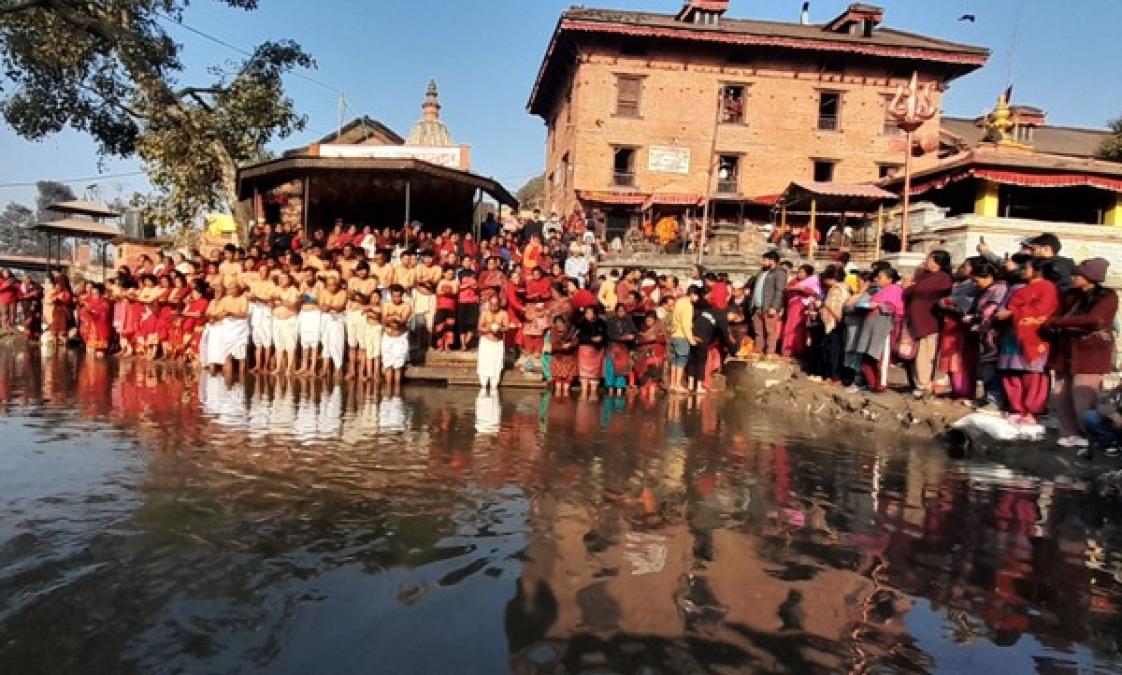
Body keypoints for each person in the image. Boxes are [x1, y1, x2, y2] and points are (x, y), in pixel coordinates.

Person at [1043, 258, 1118, 453]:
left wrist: (1060, 323)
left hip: (1090, 351)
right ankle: (1069, 434)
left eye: (1078, 275)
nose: (1074, 278)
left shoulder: (1107, 296)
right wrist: (1061, 323)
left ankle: (1091, 435)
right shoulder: (1070, 295)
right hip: (1066, 348)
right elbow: (1057, 317)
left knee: (1082, 394)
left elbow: (1094, 320)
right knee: (1061, 393)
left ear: (1091, 278)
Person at [995, 257, 1060, 426]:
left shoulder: (1048, 287)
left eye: (1027, 268)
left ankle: (1032, 409)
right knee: (1011, 371)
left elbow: (1042, 309)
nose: (1023, 271)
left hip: (1033, 334)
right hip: (1013, 333)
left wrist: (1012, 312)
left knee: (1032, 374)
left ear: (1038, 270)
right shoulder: (1024, 287)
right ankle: (1016, 407)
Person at [844, 267, 904, 393]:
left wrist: (880, 306)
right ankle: (871, 384)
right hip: (870, 326)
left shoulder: (895, 290)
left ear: (890, 279)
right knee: (867, 356)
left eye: (880, 277)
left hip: (883, 328)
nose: (877, 279)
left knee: (881, 357)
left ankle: (881, 385)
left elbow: (895, 309)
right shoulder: (877, 292)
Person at [904, 250, 953, 397]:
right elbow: (908, 290)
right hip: (917, 322)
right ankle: (920, 383)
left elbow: (915, 289)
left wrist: (910, 284)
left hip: (929, 323)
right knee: (915, 355)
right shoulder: (925, 276)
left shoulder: (943, 278)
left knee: (925, 355)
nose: (926, 261)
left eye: (929, 259)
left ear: (937, 262)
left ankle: (924, 385)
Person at [807, 265, 849, 383]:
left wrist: (822, 305)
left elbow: (836, 308)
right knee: (827, 349)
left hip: (834, 324)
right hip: (830, 323)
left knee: (833, 351)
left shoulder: (838, 290)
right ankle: (829, 375)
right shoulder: (835, 288)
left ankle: (834, 376)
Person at [750, 250, 787, 357]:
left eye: (765, 260)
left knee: (770, 331)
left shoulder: (779, 273)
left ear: (772, 261)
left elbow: (779, 291)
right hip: (758, 306)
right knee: (758, 331)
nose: (762, 262)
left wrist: (775, 307)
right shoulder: (762, 272)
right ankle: (758, 350)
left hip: (769, 307)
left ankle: (770, 352)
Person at [781, 264, 820, 359]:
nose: (799, 274)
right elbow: (786, 288)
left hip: (801, 307)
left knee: (797, 330)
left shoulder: (812, 282)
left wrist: (798, 288)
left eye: (802, 272)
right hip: (791, 306)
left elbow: (814, 292)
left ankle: (797, 350)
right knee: (789, 328)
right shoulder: (794, 281)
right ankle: (787, 351)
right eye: (799, 271)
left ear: (807, 274)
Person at [686, 285, 718, 396]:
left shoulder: (692, 305)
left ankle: (690, 385)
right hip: (703, 336)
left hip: (691, 334)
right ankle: (698, 386)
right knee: (701, 361)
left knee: (691, 359)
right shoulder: (708, 307)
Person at [382, 284, 413, 394]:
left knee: (398, 366)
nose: (397, 298)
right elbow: (385, 320)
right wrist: (395, 318)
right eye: (394, 296)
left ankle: (396, 393)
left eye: (399, 296)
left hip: (400, 337)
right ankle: (388, 391)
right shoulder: (386, 305)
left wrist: (393, 318)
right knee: (387, 365)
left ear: (402, 296)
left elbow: (403, 321)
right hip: (388, 337)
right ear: (391, 296)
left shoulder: (407, 306)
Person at [318, 274, 348, 379]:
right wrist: (331, 307)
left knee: (337, 344)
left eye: (334, 285)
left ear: (338, 285)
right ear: (326, 285)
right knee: (325, 343)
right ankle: (325, 369)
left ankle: (338, 369)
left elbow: (340, 308)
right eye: (330, 285)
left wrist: (329, 306)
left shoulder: (343, 293)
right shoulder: (323, 292)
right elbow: (322, 307)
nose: (332, 287)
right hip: (326, 319)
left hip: (338, 319)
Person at [604, 303, 637, 396]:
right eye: (619, 311)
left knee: (621, 371)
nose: (621, 313)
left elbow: (635, 334)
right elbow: (609, 335)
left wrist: (632, 347)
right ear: (616, 311)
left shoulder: (629, 321)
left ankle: (619, 392)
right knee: (610, 370)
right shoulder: (610, 321)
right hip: (612, 347)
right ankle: (610, 391)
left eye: (623, 311)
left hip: (624, 349)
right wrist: (624, 337)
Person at [477, 295, 509, 392]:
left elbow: (507, 327)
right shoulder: (484, 314)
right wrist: (489, 329)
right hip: (486, 342)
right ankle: (483, 384)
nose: (494, 307)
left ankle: (494, 385)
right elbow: (479, 327)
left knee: (496, 365)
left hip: (497, 343)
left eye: (496, 305)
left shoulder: (503, 314)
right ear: (489, 304)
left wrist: (499, 329)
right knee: (484, 363)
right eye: (492, 305)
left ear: (499, 305)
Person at [247, 265, 276, 373]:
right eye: (260, 270)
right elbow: (251, 297)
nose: (262, 273)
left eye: (264, 271)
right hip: (256, 314)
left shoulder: (271, 284)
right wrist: (254, 299)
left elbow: (269, 299)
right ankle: (258, 365)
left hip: (266, 314)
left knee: (267, 342)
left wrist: (258, 298)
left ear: (268, 272)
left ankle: (266, 366)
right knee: (257, 342)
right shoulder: (254, 284)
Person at [271, 273, 300, 376]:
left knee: (290, 345)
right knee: (278, 345)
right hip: (277, 320)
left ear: (289, 280)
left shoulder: (294, 290)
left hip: (289, 320)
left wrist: (281, 300)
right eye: (280, 279)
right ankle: (278, 368)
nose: (281, 280)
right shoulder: (275, 289)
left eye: (284, 278)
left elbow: (293, 306)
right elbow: (271, 303)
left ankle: (289, 369)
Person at [575, 305, 606, 399]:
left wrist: (600, 338)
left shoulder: (601, 323)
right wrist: (591, 339)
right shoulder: (581, 323)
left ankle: (593, 393)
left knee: (595, 373)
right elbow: (578, 336)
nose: (588, 314)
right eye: (587, 312)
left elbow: (605, 335)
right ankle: (583, 392)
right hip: (585, 349)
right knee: (584, 372)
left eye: (590, 312)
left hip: (597, 350)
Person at [296, 273, 322, 376]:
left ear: (314, 277)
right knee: (304, 342)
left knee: (314, 342)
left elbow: (319, 300)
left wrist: (307, 297)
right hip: (304, 315)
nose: (308, 278)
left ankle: (312, 368)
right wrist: (303, 295)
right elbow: (299, 299)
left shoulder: (319, 286)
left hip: (314, 315)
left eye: (310, 276)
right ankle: (304, 366)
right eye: (306, 276)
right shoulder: (303, 285)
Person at [546, 315, 579, 396]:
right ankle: (557, 404)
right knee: (558, 384)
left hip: (569, 360)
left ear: (565, 323)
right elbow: (554, 345)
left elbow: (576, 341)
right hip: (557, 359)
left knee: (566, 387)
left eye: (561, 323)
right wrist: (562, 346)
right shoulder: (553, 332)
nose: (559, 325)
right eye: (557, 323)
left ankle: (566, 403)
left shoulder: (572, 331)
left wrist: (570, 345)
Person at [668, 289, 693, 394]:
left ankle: (672, 384)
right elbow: (686, 323)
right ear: (693, 295)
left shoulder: (678, 302)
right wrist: (690, 338)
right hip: (682, 336)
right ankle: (678, 385)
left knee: (674, 361)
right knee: (682, 360)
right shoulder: (688, 305)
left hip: (674, 336)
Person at [433, 267, 459, 351]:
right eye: (448, 273)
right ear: (444, 274)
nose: (450, 275)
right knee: (440, 327)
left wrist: (446, 292)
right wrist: (447, 292)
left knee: (449, 327)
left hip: (451, 307)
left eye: (452, 274)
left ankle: (447, 345)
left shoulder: (455, 282)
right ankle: (440, 345)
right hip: (441, 307)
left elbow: (455, 292)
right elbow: (438, 292)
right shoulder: (441, 282)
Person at [362, 292, 384, 383]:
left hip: (377, 328)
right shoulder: (367, 306)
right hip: (368, 328)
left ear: (380, 298)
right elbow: (363, 312)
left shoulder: (382, 307)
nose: (375, 299)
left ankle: (376, 373)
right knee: (369, 351)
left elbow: (379, 313)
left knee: (377, 352)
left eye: (376, 297)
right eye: (373, 297)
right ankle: (369, 373)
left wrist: (372, 311)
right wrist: (371, 310)